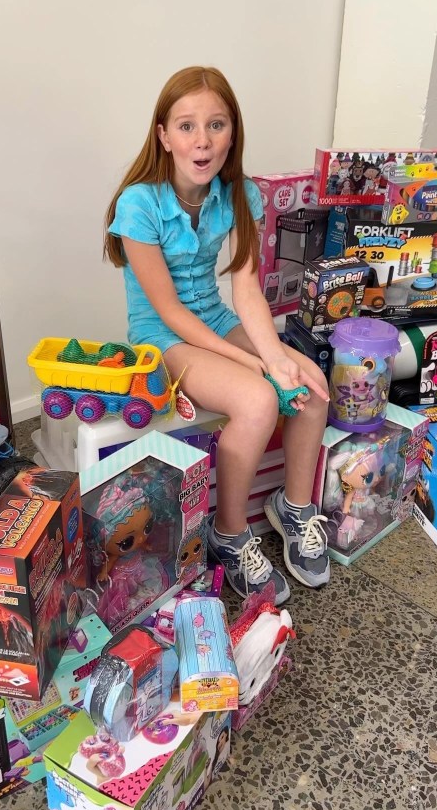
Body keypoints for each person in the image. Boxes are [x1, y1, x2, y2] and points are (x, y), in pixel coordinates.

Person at [104, 65, 330, 604]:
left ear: (234, 131)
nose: (202, 141)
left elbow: (246, 290)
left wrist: (277, 356)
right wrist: (256, 365)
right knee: (256, 401)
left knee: (312, 384)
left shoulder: (239, 194)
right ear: (163, 134)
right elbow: (169, 311)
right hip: (162, 336)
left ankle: (294, 508)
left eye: (216, 124)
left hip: (213, 319)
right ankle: (227, 534)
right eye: (186, 126)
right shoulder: (139, 204)